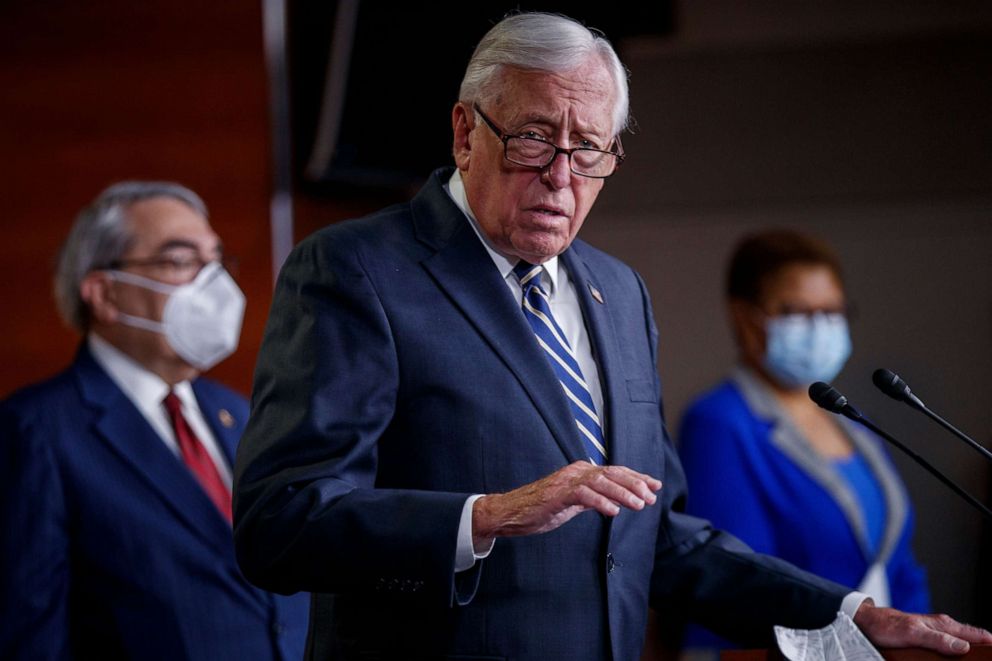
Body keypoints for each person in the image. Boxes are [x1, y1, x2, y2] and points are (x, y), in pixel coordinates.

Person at [232, 13, 989, 661]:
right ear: (465, 132)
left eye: (590, 149)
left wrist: (848, 617)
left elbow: (660, 535)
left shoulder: (618, 291)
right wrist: (483, 515)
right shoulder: (357, 270)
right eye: (533, 138)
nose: (562, 176)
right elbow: (280, 520)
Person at [0, 182, 309, 660]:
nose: (215, 285)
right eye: (182, 261)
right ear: (104, 293)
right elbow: (29, 635)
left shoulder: (239, 413)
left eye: (217, 262)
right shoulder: (35, 431)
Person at [676, 229, 931, 653]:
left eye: (832, 312)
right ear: (745, 317)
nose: (820, 327)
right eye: (798, 312)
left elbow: (899, 566)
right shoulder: (720, 423)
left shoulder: (851, 422)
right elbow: (736, 583)